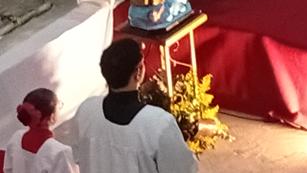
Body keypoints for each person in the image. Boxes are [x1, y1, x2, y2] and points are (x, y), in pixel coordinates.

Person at [71, 39, 196, 173]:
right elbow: (183, 169)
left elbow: (77, 155)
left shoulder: (87, 110)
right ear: (138, 72)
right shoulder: (158, 123)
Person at [3, 89, 76, 173]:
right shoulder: (60, 152)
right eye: (58, 106)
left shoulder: (16, 138)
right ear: (51, 116)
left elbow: (7, 169)